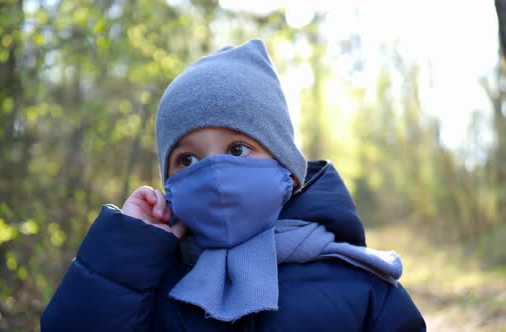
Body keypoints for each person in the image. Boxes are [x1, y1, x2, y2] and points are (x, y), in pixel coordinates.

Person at [41, 39, 426, 331]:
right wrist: (126, 251)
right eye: (187, 160)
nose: (214, 174)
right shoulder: (149, 285)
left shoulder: (361, 287)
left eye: (238, 149)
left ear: (287, 170)